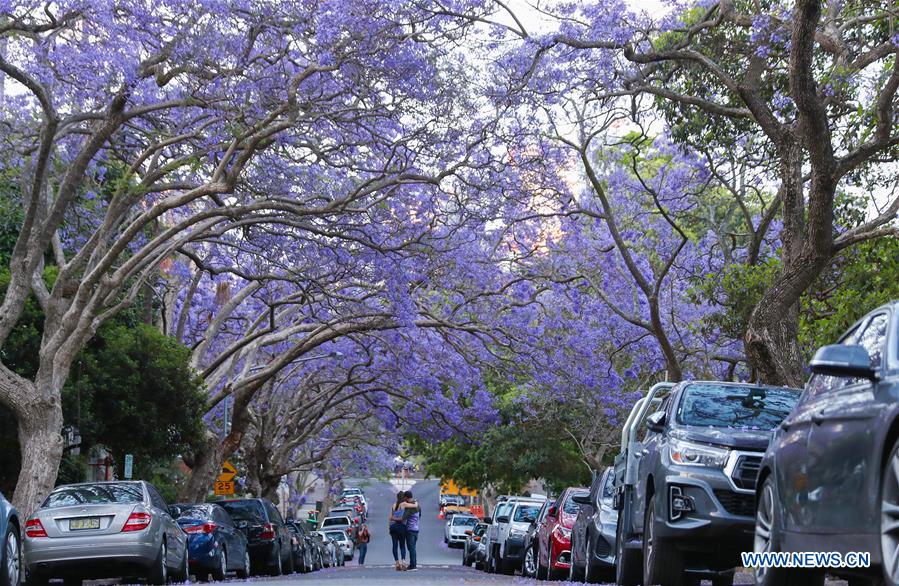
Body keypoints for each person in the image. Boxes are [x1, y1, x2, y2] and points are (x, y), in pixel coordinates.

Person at [389, 491, 409, 570]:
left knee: (394, 545)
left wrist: (389, 527)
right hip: (401, 526)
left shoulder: (394, 505)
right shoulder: (404, 504)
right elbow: (413, 505)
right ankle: (403, 562)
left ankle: (397, 563)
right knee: (402, 545)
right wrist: (415, 503)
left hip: (393, 526)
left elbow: (390, 517)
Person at [402, 490, 421, 571]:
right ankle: (413, 563)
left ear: (406, 497)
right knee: (413, 548)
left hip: (410, 530)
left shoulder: (410, 507)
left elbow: (403, 517)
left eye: (404, 498)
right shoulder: (418, 506)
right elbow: (419, 515)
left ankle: (413, 565)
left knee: (411, 548)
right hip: (416, 529)